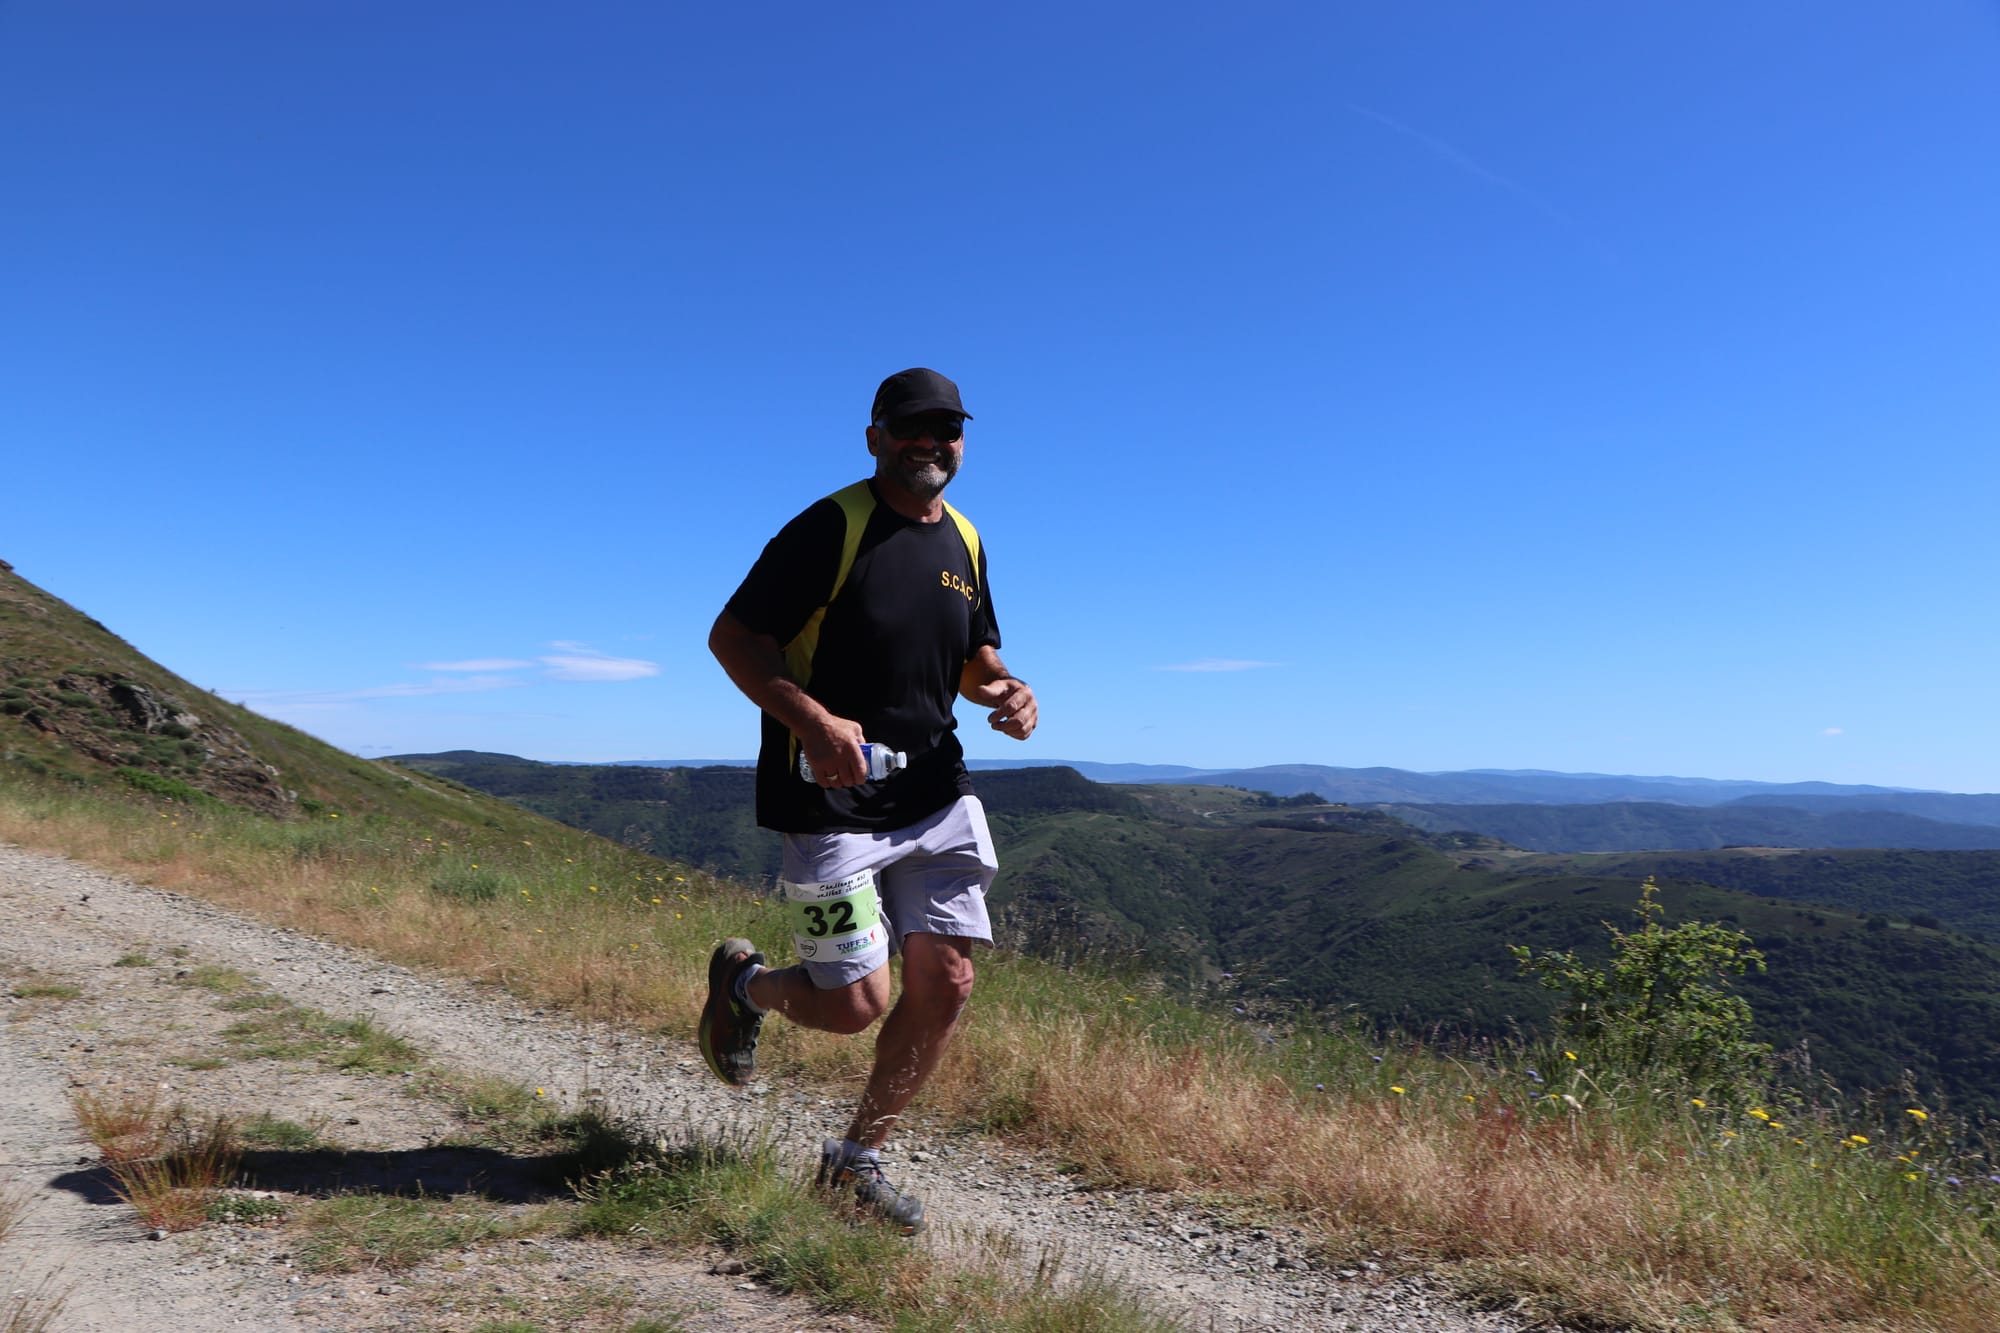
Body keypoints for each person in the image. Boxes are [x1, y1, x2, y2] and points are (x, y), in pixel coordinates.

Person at [700, 366, 1037, 1234]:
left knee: (950, 980)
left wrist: (1008, 689)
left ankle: (857, 1161)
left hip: (935, 792)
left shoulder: (964, 537)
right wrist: (812, 721)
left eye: (949, 429)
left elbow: (974, 659)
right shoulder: (831, 527)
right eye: (915, 427)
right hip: (831, 799)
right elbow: (733, 636)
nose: (935, 442)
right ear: (877, 437)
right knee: (854, 1005)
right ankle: (745, 985)